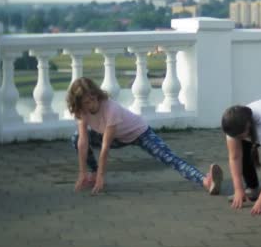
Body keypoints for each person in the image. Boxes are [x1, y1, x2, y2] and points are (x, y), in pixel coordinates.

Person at [67, 77, 223, 195]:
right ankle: (92, 174)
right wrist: (82, 173)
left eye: (93, 99)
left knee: (168, 157)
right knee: (76, 138)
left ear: (97, 95)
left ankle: (205, 181)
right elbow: (83, 141)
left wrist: (103, 175)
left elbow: (105, 147)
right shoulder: (81, 112)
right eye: (86, 102)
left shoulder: (110, 109)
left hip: (139, 133)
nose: (91, 105)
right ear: (79, 103)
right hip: (117, 137)